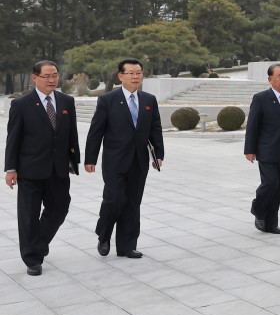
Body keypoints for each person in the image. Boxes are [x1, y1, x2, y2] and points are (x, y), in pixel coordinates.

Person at [4, 61, 80, 276]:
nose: (52, 80)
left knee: (60, 207)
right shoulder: (21, 104)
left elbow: (71, 133)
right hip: (30, 169)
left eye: (55, 75)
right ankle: (32, 259)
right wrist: (10, 169)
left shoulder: (67, 101)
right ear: (35, 78)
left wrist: (74, 161)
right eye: (47, 76)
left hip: (58, 169)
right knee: (29, 215)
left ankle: (37, 244)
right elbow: (13, 139)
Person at [85, 58, 164, 259]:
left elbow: (155, 129)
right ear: (121, 76)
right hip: (115, 160)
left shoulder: (149, 100)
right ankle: (103, 234)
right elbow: (96, 131)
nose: (136, 76)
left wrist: (158, 154)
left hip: (139, 160)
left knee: (132, 202)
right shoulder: (107, 100)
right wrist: (90, 158)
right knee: (114, 199)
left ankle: (127, 246)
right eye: (131, 73)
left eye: (139, 72)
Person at [244, 63, 280, 234]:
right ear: (270, 79)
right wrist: (249, 149)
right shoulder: (260, 98)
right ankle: (258, 208)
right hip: (266, 151)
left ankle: (270, 224)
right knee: (270, 183)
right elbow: (252, 126)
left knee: (278, 188)